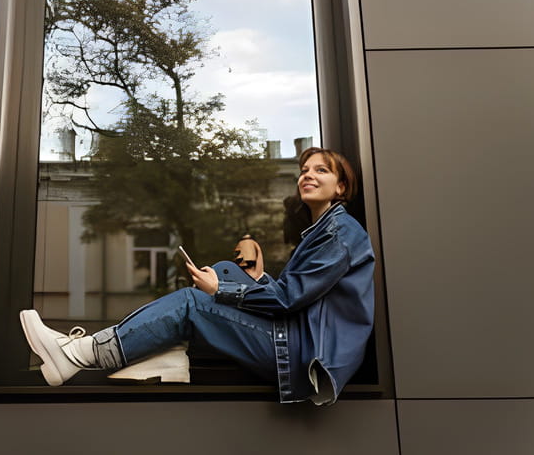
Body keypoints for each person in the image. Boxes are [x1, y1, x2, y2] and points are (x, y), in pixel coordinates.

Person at [19, 147, 375, 404]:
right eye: (305, 170)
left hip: (303, 353)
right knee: (225, 269)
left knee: (194, 300)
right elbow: (295, 295)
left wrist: (222, 290)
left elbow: (290, 300)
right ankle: (167, 354)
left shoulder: (339, 233)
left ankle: (83, 353)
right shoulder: (322, 231)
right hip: (296, 338)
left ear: (341, 187)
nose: (308, 175)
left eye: (321, 171)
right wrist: (255, 279)